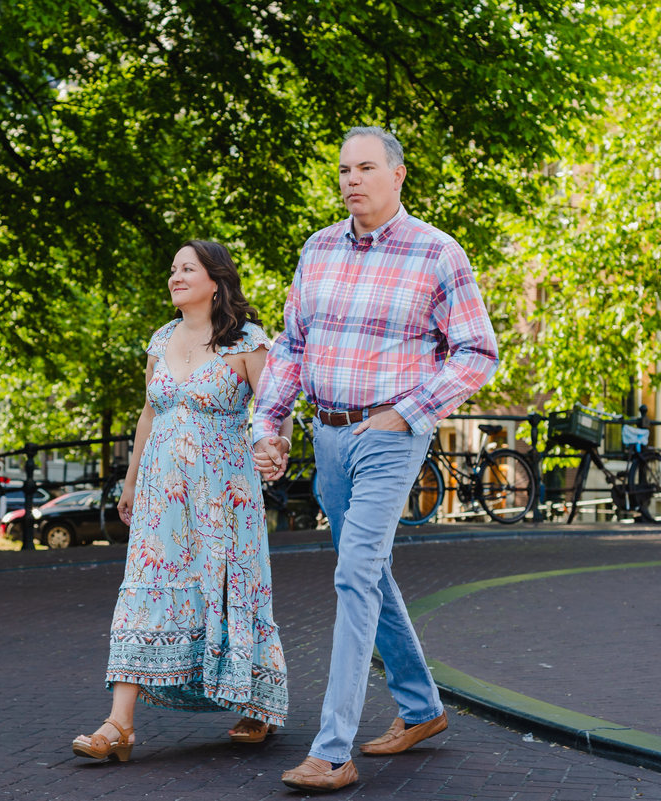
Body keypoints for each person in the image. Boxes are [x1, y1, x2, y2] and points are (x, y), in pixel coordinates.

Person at [251, 126, 499, 792]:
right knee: (368, 570)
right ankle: (421, 708)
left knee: (354, 573)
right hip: (327, 434)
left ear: (398, 175)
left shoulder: (437, 253)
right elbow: (291, 346)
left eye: (365, 168)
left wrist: (409, 411)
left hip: (391, 435)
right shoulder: (318, 248)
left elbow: (477, 351)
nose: (351, 179)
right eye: (343, 169)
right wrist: (269, 425)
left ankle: (332, 749)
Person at [72, 239, 292, 763]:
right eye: (172, 270)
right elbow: (150, 414)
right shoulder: (161, 338)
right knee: (147, 589)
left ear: (215, 280)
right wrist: (129, 482)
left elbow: (274, 408)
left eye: (187, 269)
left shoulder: (247, 342)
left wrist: (274, 445)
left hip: (224, 496)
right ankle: (118, 725)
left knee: (230, 589)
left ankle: (257, 705)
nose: (175, 277)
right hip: (160, 496)